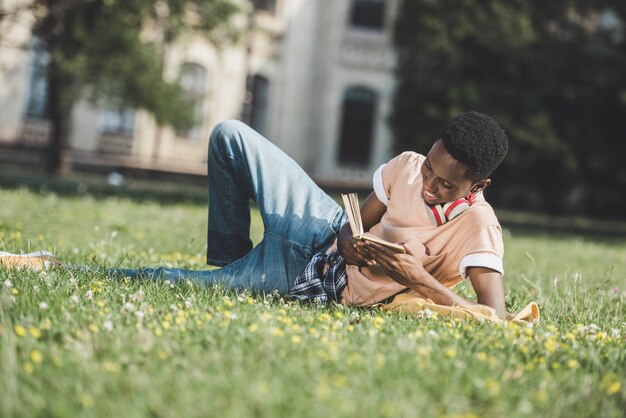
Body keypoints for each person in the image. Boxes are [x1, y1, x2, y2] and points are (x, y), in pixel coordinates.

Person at [2, 111, 509, 318]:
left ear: (478, 185)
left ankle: (51, 265)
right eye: (432, 169)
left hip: (319, 281)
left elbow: (495, 317)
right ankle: (230, 259)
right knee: (230, 135)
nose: (430, 183)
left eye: (445, 183)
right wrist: (354, 241)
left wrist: (418, 280)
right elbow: (359, 220)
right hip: (321, 233)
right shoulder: (409, 166)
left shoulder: (478, 226)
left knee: (161, 278)